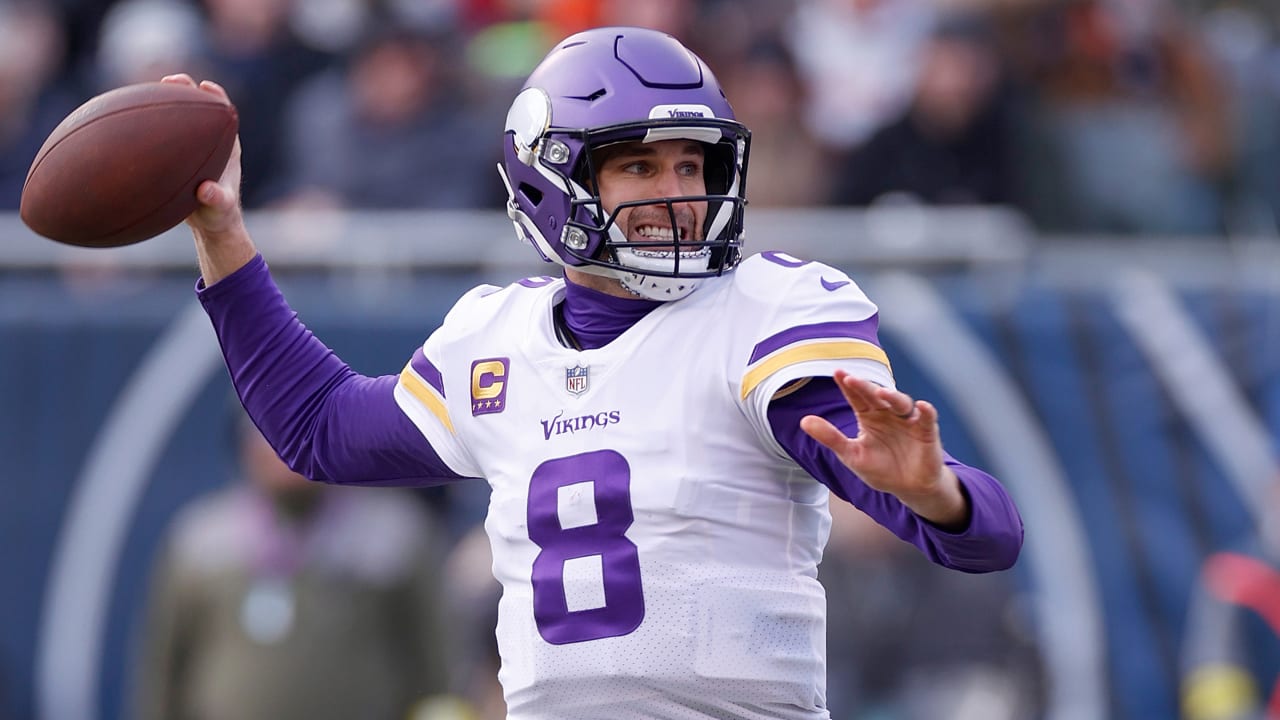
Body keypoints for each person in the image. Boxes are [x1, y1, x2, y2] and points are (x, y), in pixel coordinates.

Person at [167, 25, 1024, 720]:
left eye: (692, 165)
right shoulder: (494, 340)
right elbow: (319, 429)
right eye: (641, 166)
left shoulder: (765, 313)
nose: (679, 191)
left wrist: (934, 494)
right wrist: (223, 239)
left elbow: (989, 538)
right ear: (553, 180)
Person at [132, 412, 452, 720]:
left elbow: (437, 667)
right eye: (268, 430)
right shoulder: (201, 543)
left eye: (300, 428)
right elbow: (163, 671)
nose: (285, 447)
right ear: (244, 446)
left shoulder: (393, 538)